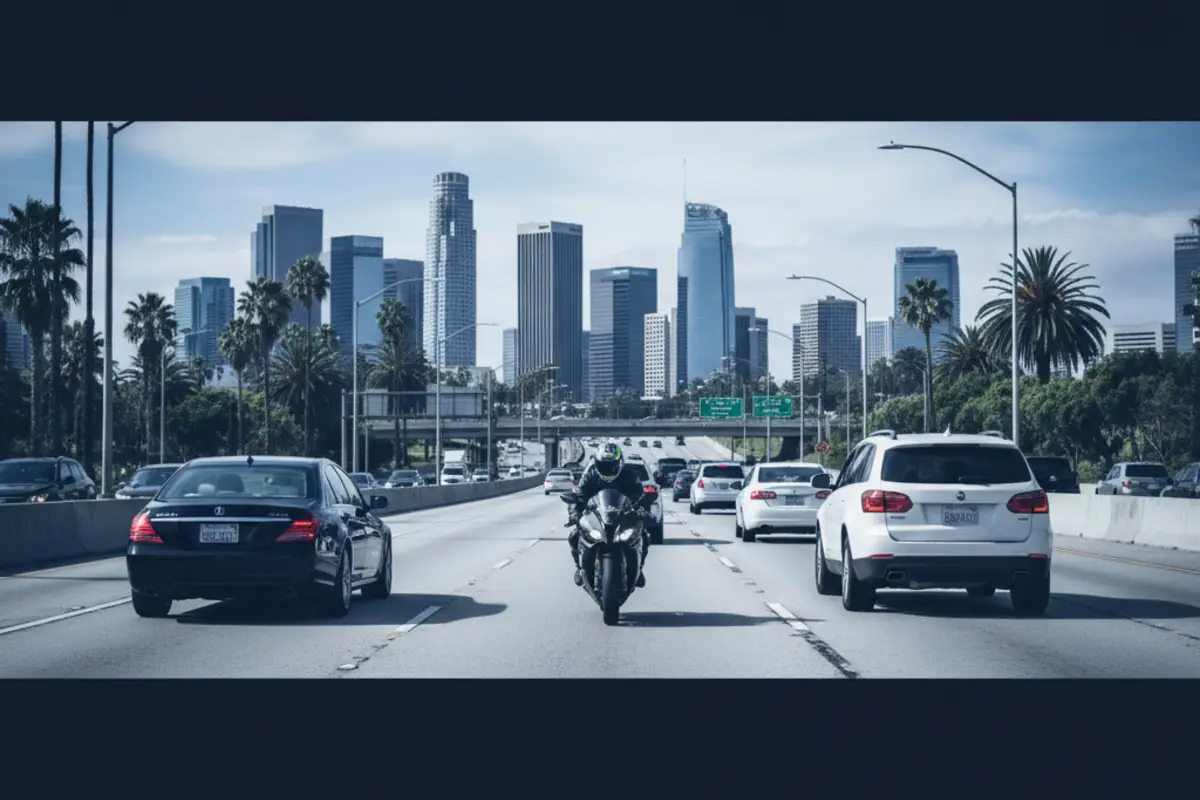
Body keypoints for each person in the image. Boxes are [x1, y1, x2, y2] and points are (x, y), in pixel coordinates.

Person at [566, 441, 652, 587]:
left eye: (611, 466)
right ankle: (579, 568)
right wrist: (574, 512)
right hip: (597, 517)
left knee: (644, 535)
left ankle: (639, 569)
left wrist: (641, 508)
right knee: (574, 535)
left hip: (622, 517)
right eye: (603, 466)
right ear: (597, 464)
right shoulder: (591, 474)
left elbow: (640, 495)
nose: (607, 470)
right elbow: (579, 495)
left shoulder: (629, 476)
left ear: (619, 463)